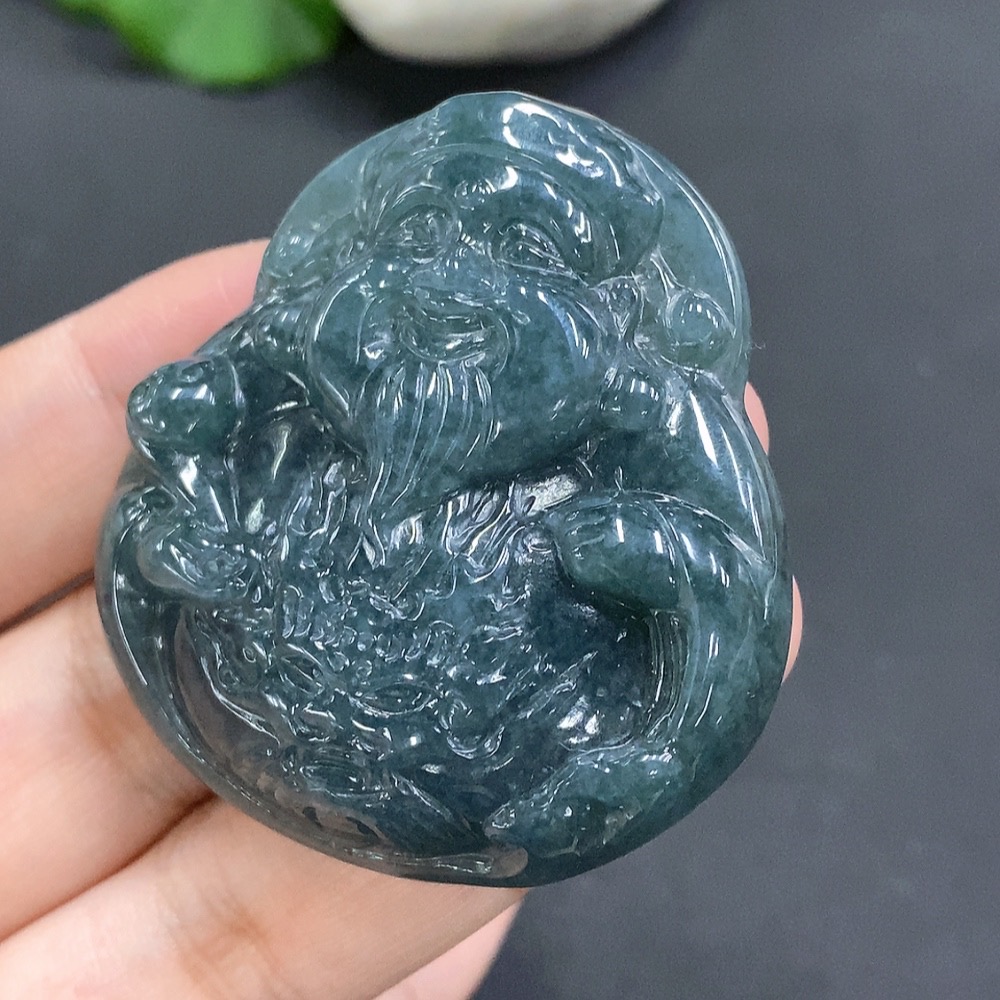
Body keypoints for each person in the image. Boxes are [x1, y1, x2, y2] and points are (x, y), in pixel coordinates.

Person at [0, 242, 801, 998]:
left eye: (515, 255)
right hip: (275, 711)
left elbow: (722, 603)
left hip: (479, 746)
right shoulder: (291, 434)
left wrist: (643, 744)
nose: (454, 273)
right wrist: (178, 552)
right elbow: (169, 508)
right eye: (424, 239)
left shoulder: (618, 462)